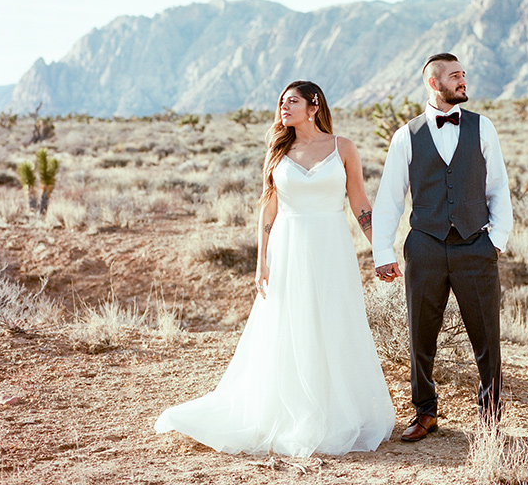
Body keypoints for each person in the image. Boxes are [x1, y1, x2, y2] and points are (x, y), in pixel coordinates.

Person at [155, 80, 395, 456]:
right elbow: (268, 208)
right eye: (282, 102)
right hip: (288, 249)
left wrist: (381, 250)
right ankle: (292, 412)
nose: (284, 107)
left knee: (334, 322)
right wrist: (261, 261)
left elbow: (360, 202)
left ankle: (337, 413)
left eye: (292, 101)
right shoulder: (278, 151)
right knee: (290, 324)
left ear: (313, 107)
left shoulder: (342, 148)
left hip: (332, 247)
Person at [373, 53, 513, 442]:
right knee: (421, 334)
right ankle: (425, 412)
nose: (463, 81)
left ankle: (491, 415)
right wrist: (382, 252)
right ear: (434, 84)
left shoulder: (483, 128)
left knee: (486, 336)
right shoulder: (407, 135)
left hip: (475, 246)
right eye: (455, 76)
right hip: (426, 246)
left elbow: (498, 188)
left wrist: (495, 242)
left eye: (464, 75)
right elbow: (389, 198)